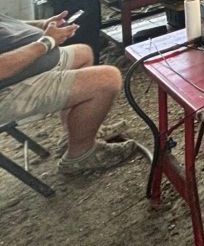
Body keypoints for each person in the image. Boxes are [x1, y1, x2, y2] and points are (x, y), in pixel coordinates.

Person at [0, 10, 136, 174]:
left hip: (30, 61)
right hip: (8, 88)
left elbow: (5, 24)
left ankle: (75, 135)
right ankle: (80, 155)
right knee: (108, 79)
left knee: (83, 53)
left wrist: (42, 24)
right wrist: (47, 42)